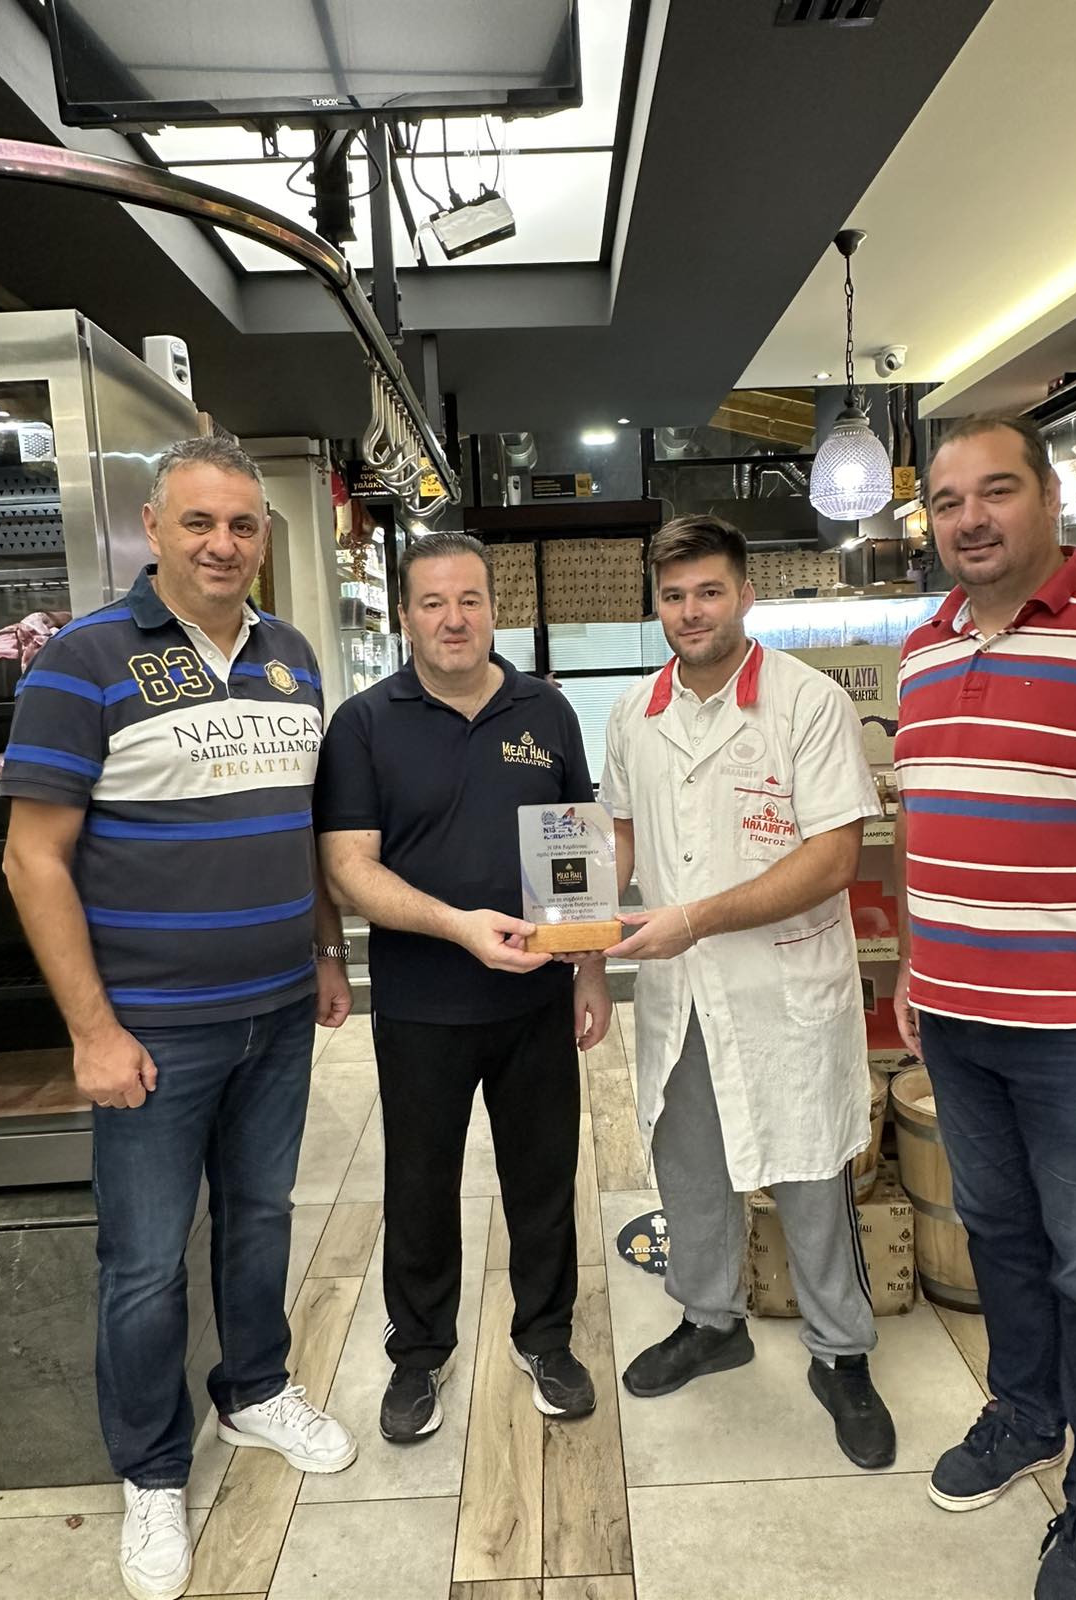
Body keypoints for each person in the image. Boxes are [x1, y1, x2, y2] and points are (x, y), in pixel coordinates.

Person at [0, 436, 356, 1600]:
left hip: (276, 1011)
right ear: (153, 528)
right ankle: (152, 1470)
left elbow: (300, 825)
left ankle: (254, 1390)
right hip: (153, 1028)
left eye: (243, 524)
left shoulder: (292, 656)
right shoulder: (84, 661)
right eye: (199, 521)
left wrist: (324, 952)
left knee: (259, 1216)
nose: (222, 544)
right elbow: (32, 860)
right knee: (146, 1263)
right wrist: (92, 1031)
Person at [893, 412, 1076, 1600]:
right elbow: (925, 823)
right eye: (949, 501)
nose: (971, 520)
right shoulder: (923, 650)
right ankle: (1024, 1411)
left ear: (1052, 498)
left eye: (995, 491)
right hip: (961, 1023)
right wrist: (915, 965)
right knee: (999, 1233)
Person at [600, 514, 896, 1470]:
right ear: (657, 605)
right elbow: (619, 837)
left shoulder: (806, 702)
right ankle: (710, 1320)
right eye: (674, 596)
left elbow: (834, 858)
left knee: (809, 1167)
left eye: (709, 592)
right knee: (688, 1162)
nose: (691, 612)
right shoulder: (633, 713)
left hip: (782, 988)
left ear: (745, 596)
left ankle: (841, 1350)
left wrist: (694, 919)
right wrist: (574, 918)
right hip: (678, 989)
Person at [314, 531, 610, 1443]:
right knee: (420, 1184)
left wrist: (590, 967)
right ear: (405, 616)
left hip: (534, 1000)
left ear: (494, 608)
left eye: (470, 600)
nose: (454, 619)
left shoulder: (545, 710)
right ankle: (418, 1352)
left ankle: (546, 1337)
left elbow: (579, 849)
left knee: (544, 1177)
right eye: (434, 603)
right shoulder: (364, 723)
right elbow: (348, 867)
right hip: (420, 1004)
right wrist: (457, 927)